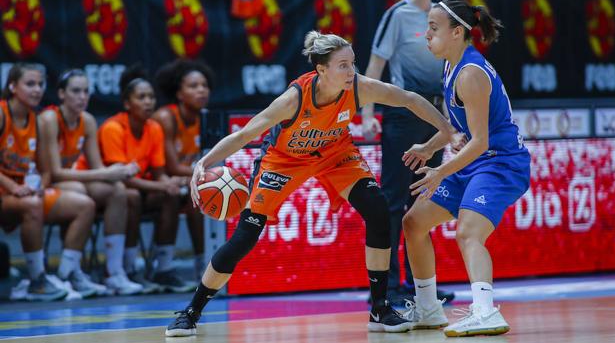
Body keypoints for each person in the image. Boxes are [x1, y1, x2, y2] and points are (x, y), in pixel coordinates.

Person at [165, 30, 456, 337]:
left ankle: (380, 308)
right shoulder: (294, 98)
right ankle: (190, 312)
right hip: (283, 161)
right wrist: (205, 161)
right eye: (343, 65)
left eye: (353, 63)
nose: (352, 71)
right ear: (321, 70)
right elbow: (244, 135)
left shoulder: (358, 88)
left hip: (335, 153)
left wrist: (448, 129)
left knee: (378, 210)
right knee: (245, 237)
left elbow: (409, 99)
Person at [401, 0, 530, 336]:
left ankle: (486, 312)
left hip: (500, 163)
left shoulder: (470, 74)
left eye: (433, 28)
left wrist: (440, 170)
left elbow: (481, 142)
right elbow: (461, 131)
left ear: (457, 32)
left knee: (469, 233)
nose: (426, 35)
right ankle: (429, 309)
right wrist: (429, 147)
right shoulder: (450, 65)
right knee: (414, 223)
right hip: (473, 162)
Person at [362, 0, 454, 305]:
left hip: (434, 116)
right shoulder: (398, 15)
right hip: (402, 114)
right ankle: (387, 287)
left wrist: (451, 122)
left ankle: (421, 288)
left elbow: (448, 71)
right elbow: (375, 65)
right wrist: (368, 112)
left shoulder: (444, 16)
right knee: (393, 201)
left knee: (424, 202)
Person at [38, 69, 143, 295]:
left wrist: (119, 171)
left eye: (86, 91)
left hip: (72, 181)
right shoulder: (49, 119)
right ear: (61, 94)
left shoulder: (87, 120)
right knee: (81, 191)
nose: (82, 96)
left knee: (117, 190)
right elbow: (55, 173)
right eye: (76, 91)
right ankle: (67, 274)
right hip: (44, 182)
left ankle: (114, 273)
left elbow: (97, 168)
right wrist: (106, 173)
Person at [91, 66, 194, 293]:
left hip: (140, 188)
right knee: (132, 196)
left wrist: (172, 183)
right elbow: (120, 179)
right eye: (141, 97)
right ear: (127, 104)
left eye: (151, 97)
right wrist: (163, 184)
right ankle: (127, 269)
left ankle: (163, 268)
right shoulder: (113, 128)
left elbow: (159, 173)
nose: (148, 102)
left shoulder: (154, 128)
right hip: (103, 189)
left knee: (170, 197)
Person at [0, 63, 97, 300]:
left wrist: (40, 186)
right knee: (32, 204)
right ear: (13, 86)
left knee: (85, 205)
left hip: (24, 194)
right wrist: (14, 187)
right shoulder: (2, 113)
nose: (37, 90)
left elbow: (46, 170)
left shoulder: (38, 120)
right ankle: (36, 279)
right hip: (6, 192)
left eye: (40, 84)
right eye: (30, 84)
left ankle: (66, 275)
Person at [153, 59, 214, 280]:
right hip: (153, 182)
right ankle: (164, 267)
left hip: (183, 184)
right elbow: (171, 167)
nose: (201, 90)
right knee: (190, 192)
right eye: (193, 86)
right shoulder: (166, 117)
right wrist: (209, 173)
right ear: (179, 93)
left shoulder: (205, 118)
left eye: (204, 85)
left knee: (200, 195)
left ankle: (204, 265)